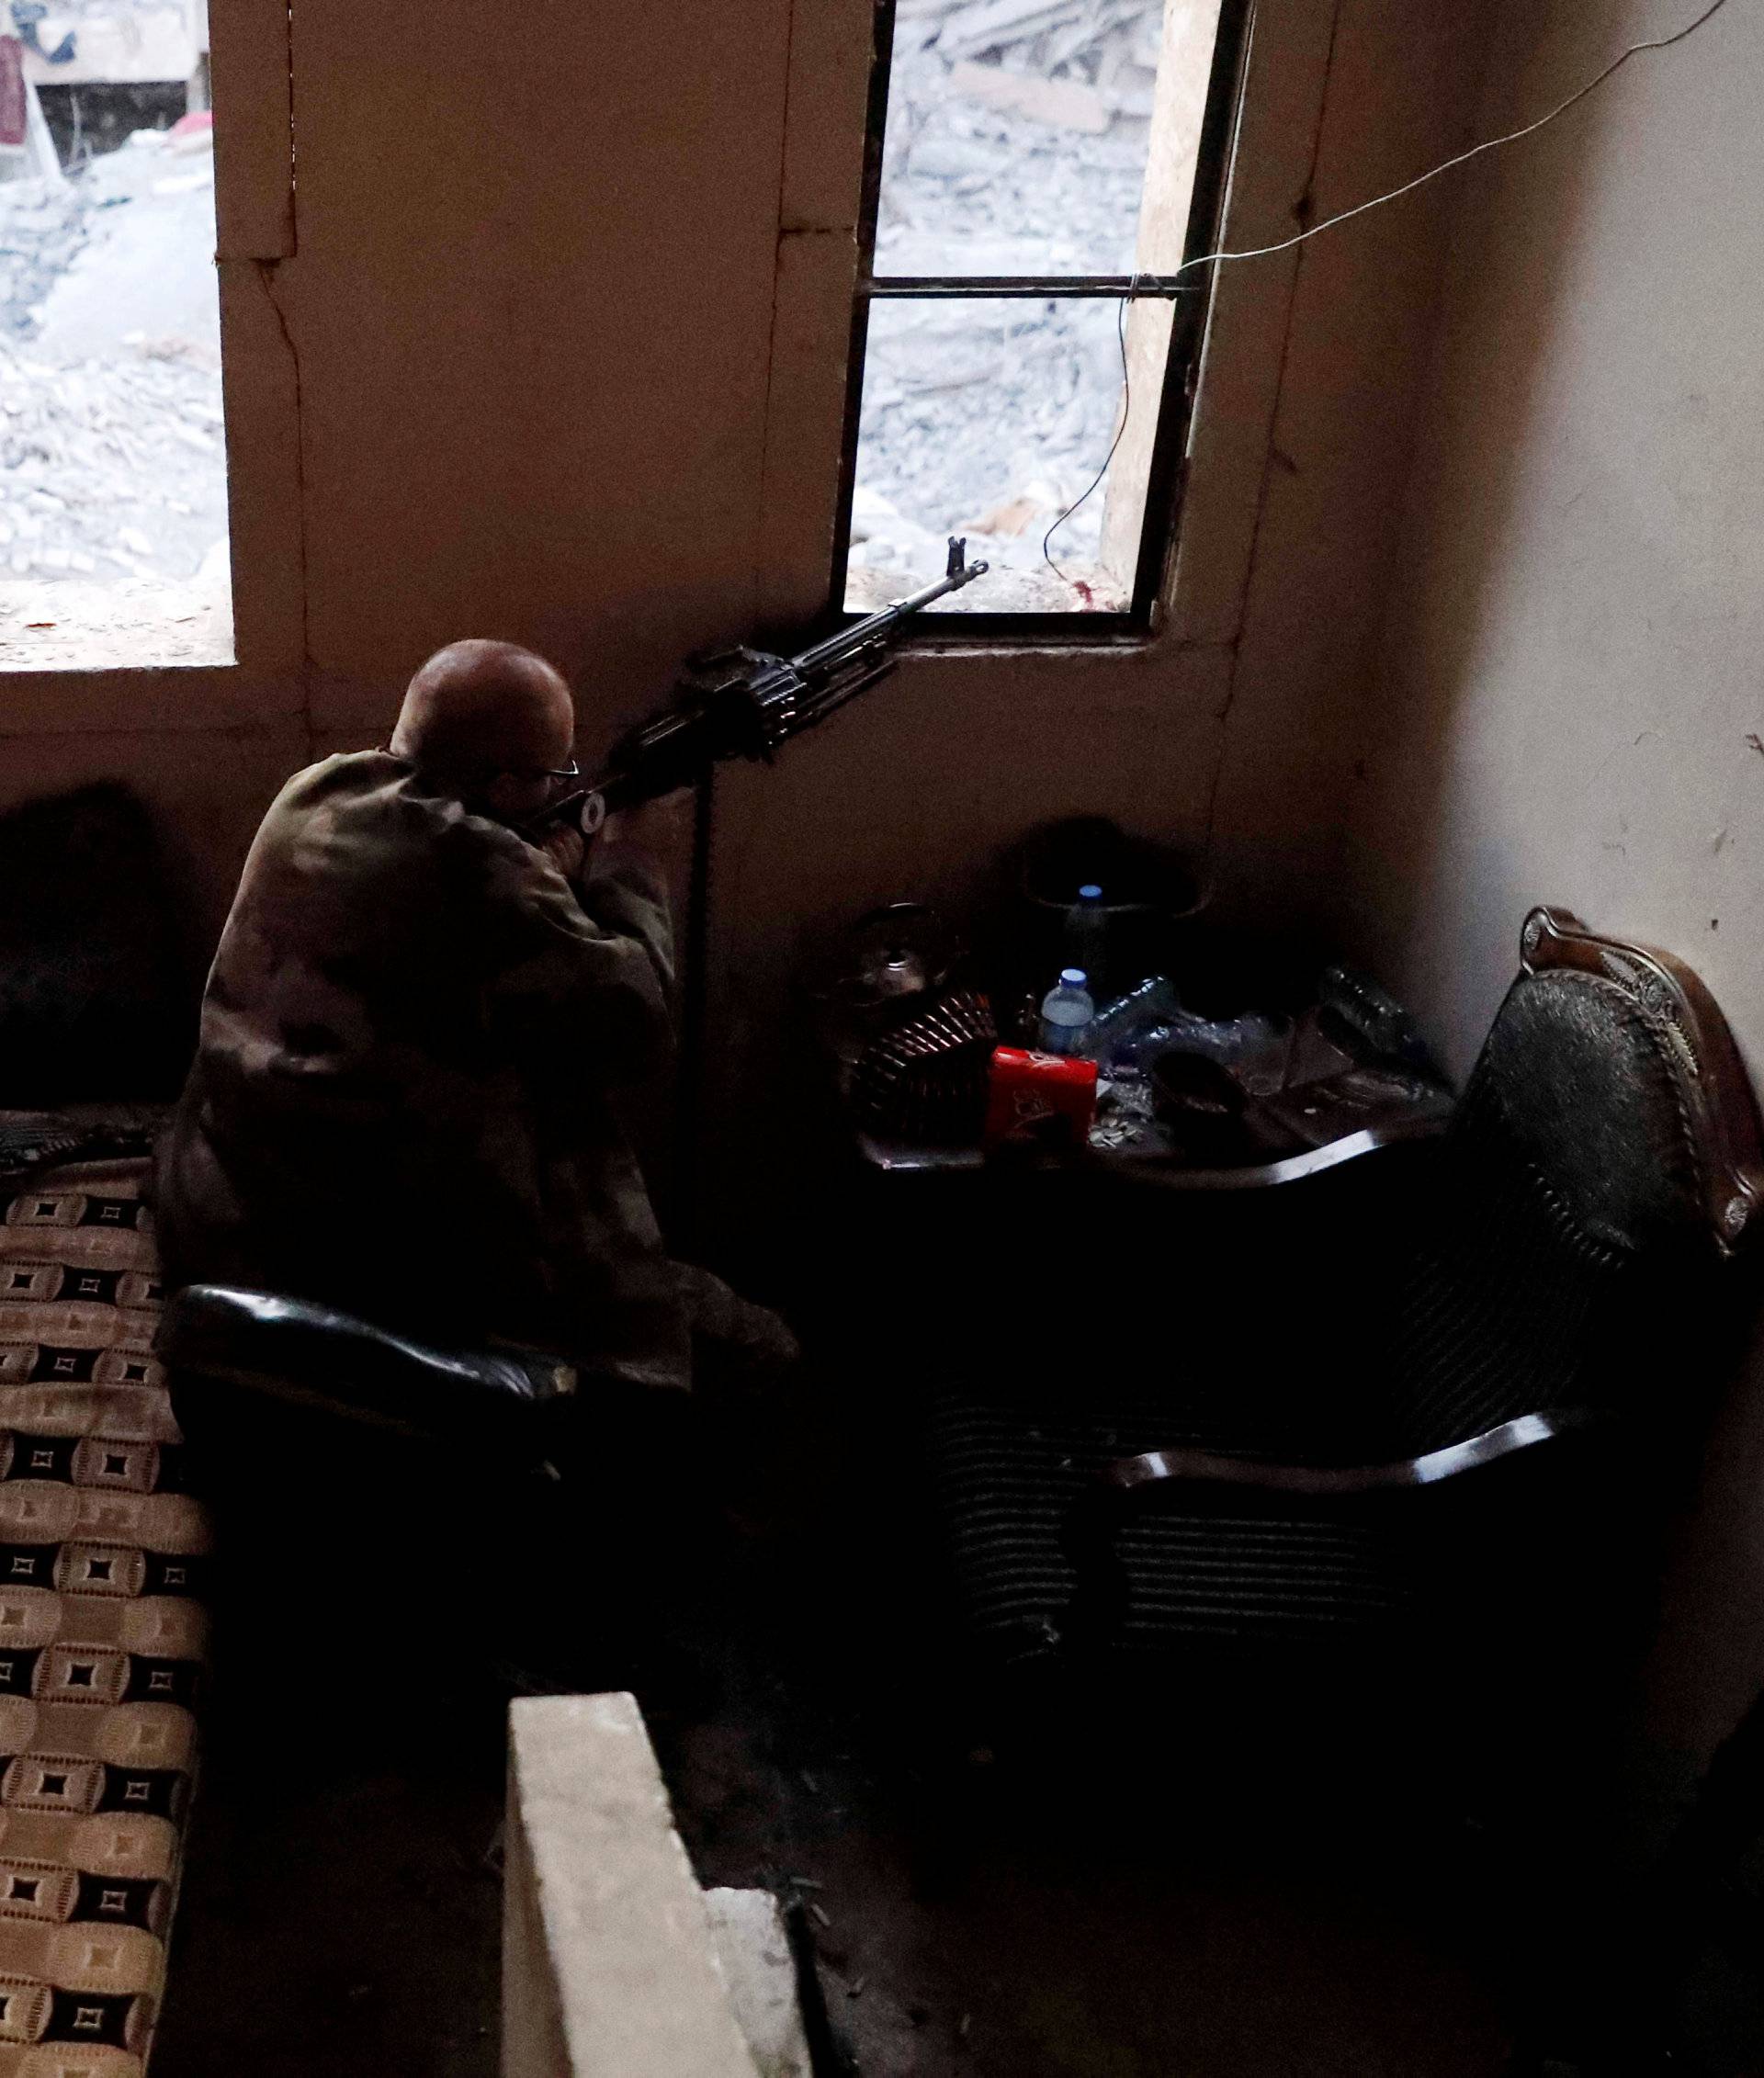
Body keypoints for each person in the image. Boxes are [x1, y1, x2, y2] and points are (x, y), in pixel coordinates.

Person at [155, 637, 789, 1400]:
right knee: (760, 1351)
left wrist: (535, 866)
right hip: (369, 1267)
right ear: (507, 782)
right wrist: (625, 854)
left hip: (229, 1203)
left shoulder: (318, 790)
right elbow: (637, 1024)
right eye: (557, 774)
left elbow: (437, 916)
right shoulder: (484, 875)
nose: (570, 785)